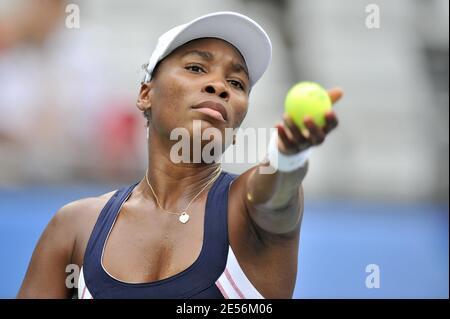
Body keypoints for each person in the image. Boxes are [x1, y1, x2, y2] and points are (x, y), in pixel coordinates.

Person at [17, 11, 342, 299]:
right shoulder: (75, 226)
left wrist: (286, 156)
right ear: (146, 94)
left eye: (237, 82)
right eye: (197, 68)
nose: (220, 86)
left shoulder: (248, 208)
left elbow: (278, 191)